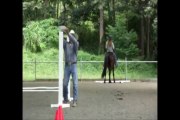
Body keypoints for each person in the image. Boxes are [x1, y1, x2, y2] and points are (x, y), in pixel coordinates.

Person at [61, 27, 79, 107]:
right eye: (69, 35)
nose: (70, 37)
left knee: (75, 84)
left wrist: (68, 33)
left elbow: (74, 41)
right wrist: (60, 31)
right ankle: (65, 98)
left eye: (72, 35)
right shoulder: (65, 44)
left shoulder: (76, 44)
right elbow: (61, 40)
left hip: (74, 65)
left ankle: (75, 100)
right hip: (67, 66)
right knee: (65, 84)